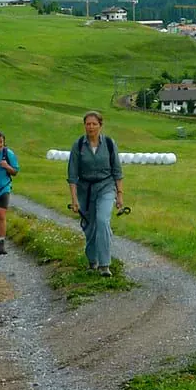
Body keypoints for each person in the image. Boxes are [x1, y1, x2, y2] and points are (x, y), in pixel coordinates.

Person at [67, 111, 124, 276]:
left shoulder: (109, 144)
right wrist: (74, 199)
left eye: (94, 124)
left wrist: (119, 195)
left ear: (100, 125)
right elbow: (72, 175)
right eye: (88, 124)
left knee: (102, 221)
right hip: (85, 189)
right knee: (90, 227)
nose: (91, 127)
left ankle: (105, 265)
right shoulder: (78, 146)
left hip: (106, 187)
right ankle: (92, 260)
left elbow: (117, 171)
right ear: (84, 125)